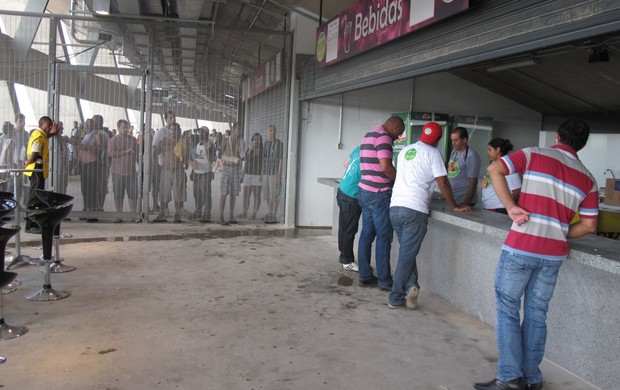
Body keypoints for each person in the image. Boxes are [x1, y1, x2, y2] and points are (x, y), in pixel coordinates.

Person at [474, 118, 598, 390]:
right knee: (536, 314)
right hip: (553, 255)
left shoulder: (535, 154)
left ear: (557, 137)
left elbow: (495, 169)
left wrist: (510, 208)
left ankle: (509, 378)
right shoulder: (588, 179)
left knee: (507, 310)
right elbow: (589, 225)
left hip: (522, 246)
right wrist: (558, 229)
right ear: (582, 145)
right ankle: (531, 378)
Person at [387, 122, 471, 309]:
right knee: (406, 255)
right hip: (414, 210)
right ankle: (395, 297)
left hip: (395, 207)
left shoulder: (405, 151)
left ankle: (412, 286)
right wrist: (454, 205)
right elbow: (443, 183)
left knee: (408, 253)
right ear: (439, 139)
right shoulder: (433, 153)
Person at [357, 116, 405, 290]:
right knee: (384, 238)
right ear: (395, 126)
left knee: (366, 235)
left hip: (364, 191)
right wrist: (400, 181)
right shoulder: (384, 137)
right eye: (398, 134)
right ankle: (384, 280)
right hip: (379, 194)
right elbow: (385, 166)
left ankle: (364, 274)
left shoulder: (369, 134)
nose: (396, 138)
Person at [23, 116, 59, 233]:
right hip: (36, 169)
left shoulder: (40, 135)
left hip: (37, 170)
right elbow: (34, 155)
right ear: (41, 125)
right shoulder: (38, 137)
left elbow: (45, 137)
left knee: (36, 195)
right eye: (48, 126)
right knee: (35, 197)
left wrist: (52, 134)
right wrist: (27, 163)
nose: (50, 128)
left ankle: (33, 222)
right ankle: (31, 224)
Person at [108, 119, 139, 223]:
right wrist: (127, 151)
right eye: (123, 127)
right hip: (118, 172)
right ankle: (119, 214)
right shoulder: (113, 140)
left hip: (131, 173)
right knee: (118, 195)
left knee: (133, 195)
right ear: (118, 128)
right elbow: (111, 153)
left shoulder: (133, 140)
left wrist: (139, 167)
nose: (125, 130)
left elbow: (137, 154)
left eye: (127, 127)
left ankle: (133, 215)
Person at [336, 145, 361, 272]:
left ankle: (343, 256)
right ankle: (347, 261)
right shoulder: (372, 154)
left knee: (344, 226)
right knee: (349, 229)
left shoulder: (359, 148)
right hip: (352, 195)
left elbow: (345, 163)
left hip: (342, 189)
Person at [155, 123, 186, 222]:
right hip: (166, 169)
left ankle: (177, 214)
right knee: (164, 191)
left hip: (178, 170)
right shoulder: (164, 141)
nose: (172, 132)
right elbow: (156, 151)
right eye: (171, 130)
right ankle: (162, 213)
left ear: (178, 131)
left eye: (175, 130)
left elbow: (187, 156)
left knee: (178, 193)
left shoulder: (182, 142)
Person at [481, 138, 521, 214]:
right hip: (490, 207)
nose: (487, 152)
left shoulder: (508, 166)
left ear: (497, 150)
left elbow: (517, 192)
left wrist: (510, 205)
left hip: (500, 208)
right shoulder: (493, 164)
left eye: (490, 150)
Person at [218, 122, 245, 225]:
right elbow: (220, 154)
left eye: (240, 129)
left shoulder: (241, 142)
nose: (239, 131)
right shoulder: (225, 140)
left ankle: (231, 215)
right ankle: (221, 216)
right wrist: (230, 159)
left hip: (236, 169)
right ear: (233, 129)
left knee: (233, 193)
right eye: (238, 129)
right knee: (224, 193)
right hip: (227, 168)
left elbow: (242, 157)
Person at [447, 127, 481, 206]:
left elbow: (473, 182)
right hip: (453, 199)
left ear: (464, 140)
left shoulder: (471, 155)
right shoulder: (453, 152)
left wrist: (466, 203)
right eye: (452, 140)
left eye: (456, 140)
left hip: (463, 201)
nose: (453, 143)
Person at [152, 111, 176, 214]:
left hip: (172, 164)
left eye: (173, 117)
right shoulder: (161, 131)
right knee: (158, 186)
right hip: (161, 164)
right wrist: (154, 163)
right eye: (170, 118)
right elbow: (154, 147)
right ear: (165, 119)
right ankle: (156, 206)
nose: (172, 119)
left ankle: (164, 207)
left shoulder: (176, 131)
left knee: (167, 188)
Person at [191, 128, 216, 221]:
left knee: (206, 194)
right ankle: (198, 211)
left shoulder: (210, 144)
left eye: (202, 132)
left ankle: (207, 214)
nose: (200, 133)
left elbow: (212, 159)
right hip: (197, 172)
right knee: (196, 193)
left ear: (207, 133)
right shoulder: (198, 143)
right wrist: (192, 171)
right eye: (200, 132)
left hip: (206, 172)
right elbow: (195, 158)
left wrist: (208, 150)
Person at [262, 125, 283, 223]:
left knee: (274, 195)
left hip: (274, 172)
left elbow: (280, 160)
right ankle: (270, 213)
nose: (272, 132)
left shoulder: (279, 144)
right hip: (266, 172)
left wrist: (278, 175)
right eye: (270, 130)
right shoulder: (265, 144)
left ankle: (274, 214)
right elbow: (263, 159)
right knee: (267, 194)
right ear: (267, 132)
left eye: (274, 130)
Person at [241, 132, 263, 220]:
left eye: (258, 140)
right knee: (246, 195)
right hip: (248, 173)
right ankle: (245, 212)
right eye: (255, 139)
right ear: (252, 140)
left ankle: (254, 213)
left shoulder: (262, 151)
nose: (256, 141)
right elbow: (245, 161)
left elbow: (264, 163)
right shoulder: (249, 149)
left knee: (257, 195)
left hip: (257, 174)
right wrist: (242, 173)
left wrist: (262, 173)